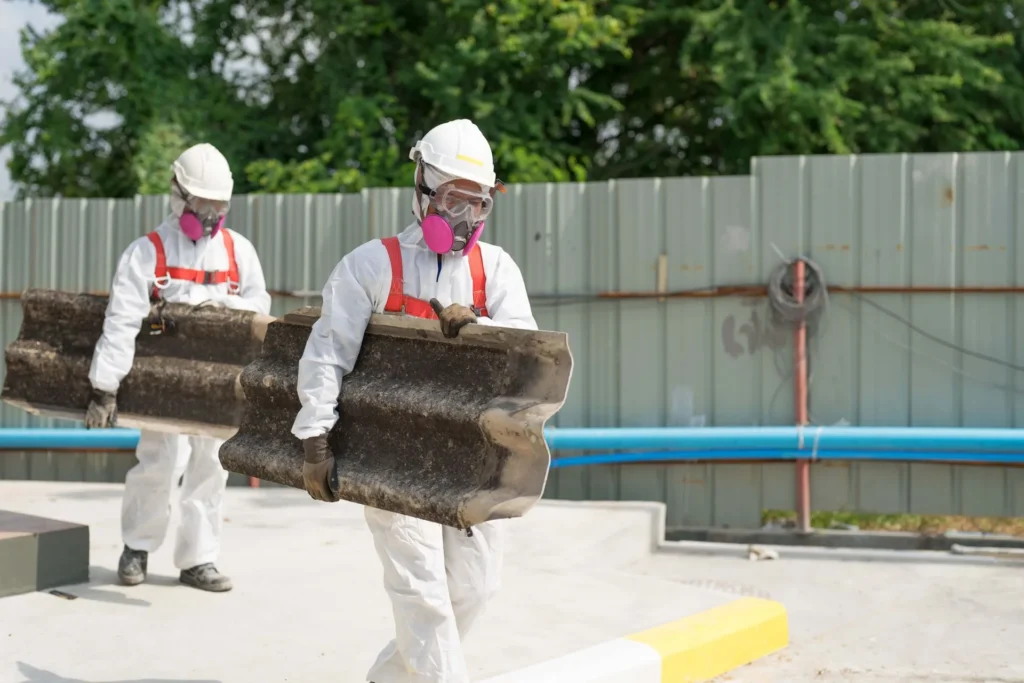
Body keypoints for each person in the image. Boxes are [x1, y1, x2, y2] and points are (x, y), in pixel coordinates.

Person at [291, 119, 537, 683]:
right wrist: (315, 437)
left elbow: (526, 354)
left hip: (471, 457)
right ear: (422, 186)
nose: (464, 218)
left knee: (474, 589)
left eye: (478, 205)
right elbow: (327, 352)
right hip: (391, 455)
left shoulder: (496, 270)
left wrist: (482, 330)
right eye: (453, 199)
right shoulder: (370, 266)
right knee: (422, 595)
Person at [84, 143, 271, 592]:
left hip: (220, 383)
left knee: (211, 466)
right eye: (201, 203)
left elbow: (259, 310)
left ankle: (198, 560)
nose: (209, 215)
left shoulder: (237, 251)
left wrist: (214, 302)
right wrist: (104, 386)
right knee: (159, 462)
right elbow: (122, 320)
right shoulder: (147, 253)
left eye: (217, 205)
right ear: (178, 196)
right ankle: (137, 546)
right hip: (161, 383)